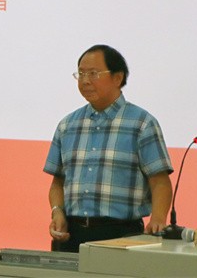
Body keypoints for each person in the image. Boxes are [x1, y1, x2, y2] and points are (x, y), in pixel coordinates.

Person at [44, 44, 173, 251]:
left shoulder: (142, 123)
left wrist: (158, 219)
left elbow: (160, 182)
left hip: (122, 235)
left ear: (117, 78)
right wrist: (57, 211)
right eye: (81, 74)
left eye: (93, 73)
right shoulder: (67, 125)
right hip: (71, 235)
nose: (85, 81)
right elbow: (57, 182)